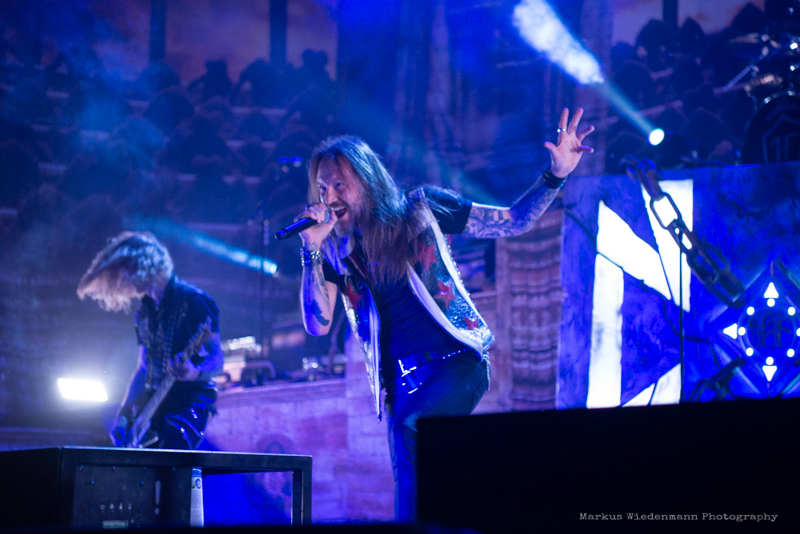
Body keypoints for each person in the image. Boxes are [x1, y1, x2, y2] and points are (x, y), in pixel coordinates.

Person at [297, 108, 594, 521]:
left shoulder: (422, 210)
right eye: (322, 187)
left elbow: (512, 222)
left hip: (456, 362)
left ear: (365, 180)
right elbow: (317, 324)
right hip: (399, 386)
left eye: (339, 185)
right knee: (415, 481)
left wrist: (556, 175)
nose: (328, 197)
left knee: (410, 430)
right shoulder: (335, 253)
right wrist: (311, 248)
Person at [77, 231, 224, 449]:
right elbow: (143, 368)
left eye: (124, 271)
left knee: (171, 455)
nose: (121, 281)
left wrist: (196, 372)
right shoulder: (145, 312)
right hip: (154, 407)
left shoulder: (194, 301)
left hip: (189, 404)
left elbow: (218, 358)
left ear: (142, 266)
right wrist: (124, 415)